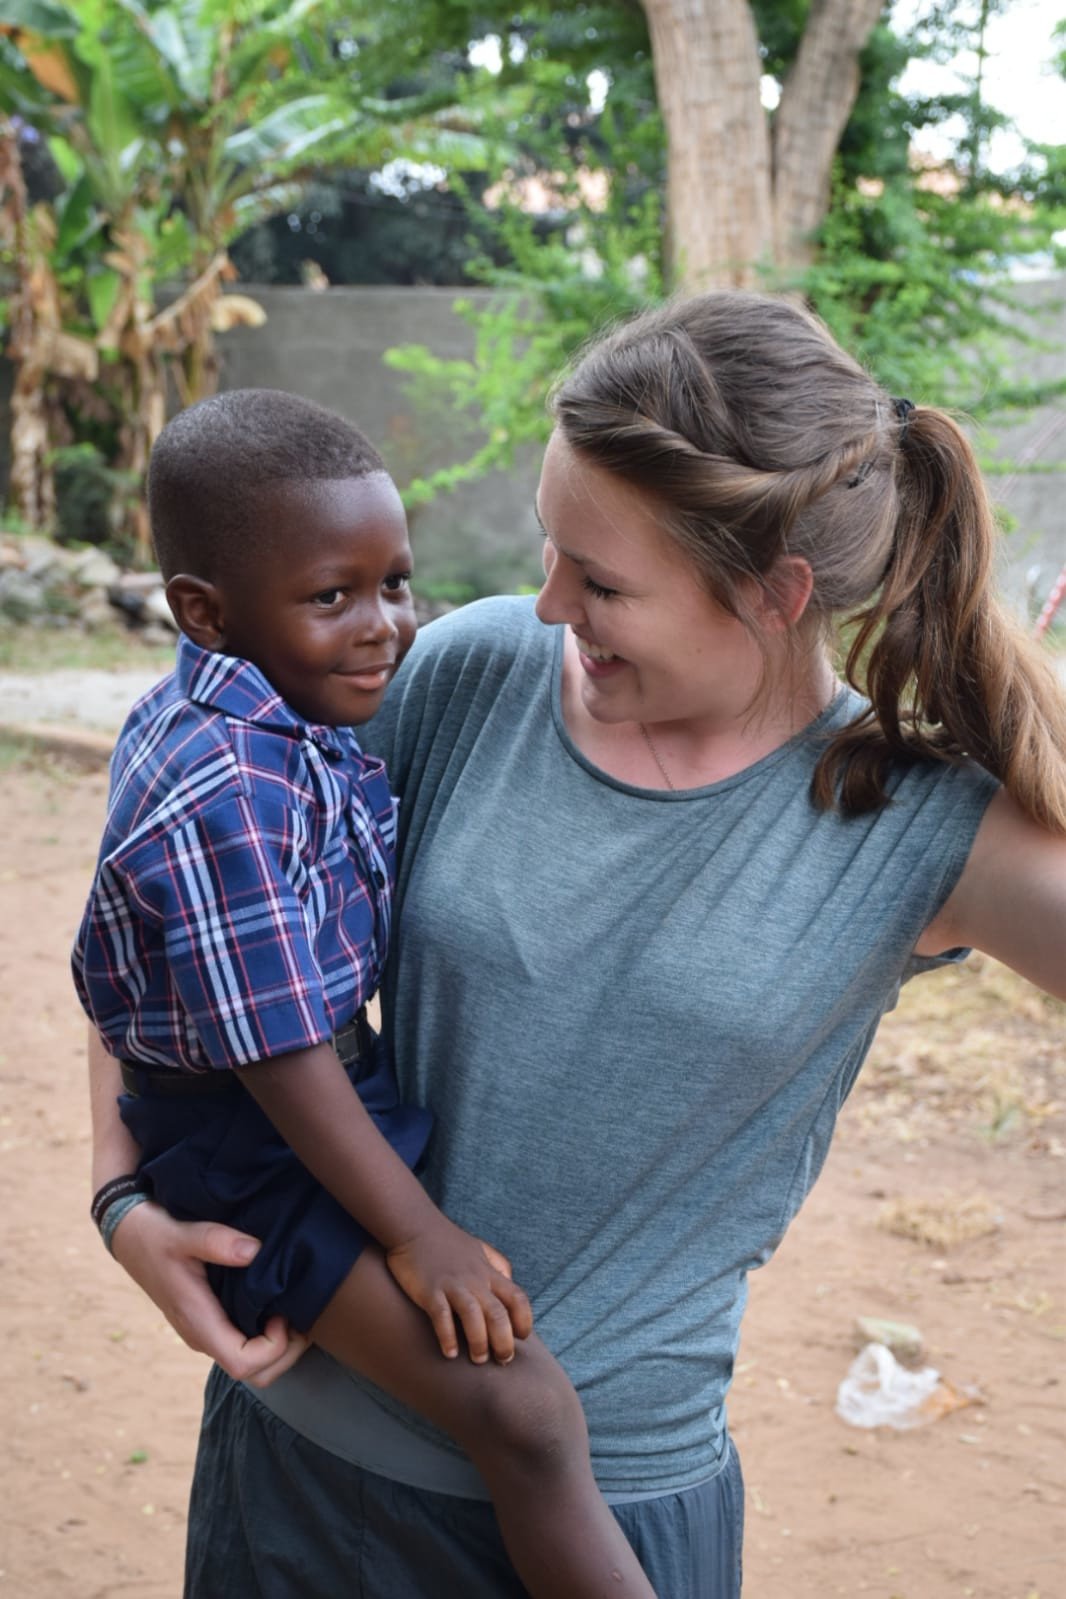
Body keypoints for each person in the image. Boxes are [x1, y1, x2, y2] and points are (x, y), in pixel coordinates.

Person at [88, 293, 1066, 1599]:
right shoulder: (471, 671)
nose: (547, 603)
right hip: (302, 1472)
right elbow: (184, 897)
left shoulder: (921, 821)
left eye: (599, 580)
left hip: (602, 1518)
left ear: (773, 594)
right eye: (551, 551)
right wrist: (121, 1195)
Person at [74, 388, 658, 1599]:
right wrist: (419, 1235)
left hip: (316, 1092)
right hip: (250, 1140)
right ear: (205, 610)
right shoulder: (223, 785)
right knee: (529, 1417)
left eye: (396, 581)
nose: (385, 624)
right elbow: (279, 1053)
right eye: (331, 596)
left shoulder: (280, 707)